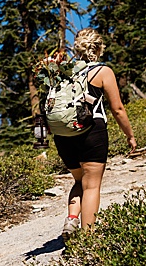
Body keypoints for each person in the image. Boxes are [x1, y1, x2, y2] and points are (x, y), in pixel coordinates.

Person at [37, 29, 137, 234]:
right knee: (91, 186)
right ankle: (87, 237)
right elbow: (117, 109)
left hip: (63, 136)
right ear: (98, 48)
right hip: (92, 132)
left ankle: (71, 219)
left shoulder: (60, 72)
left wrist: (40, 143)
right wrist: (130, 136)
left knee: (79, 180)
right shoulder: (102, 71)